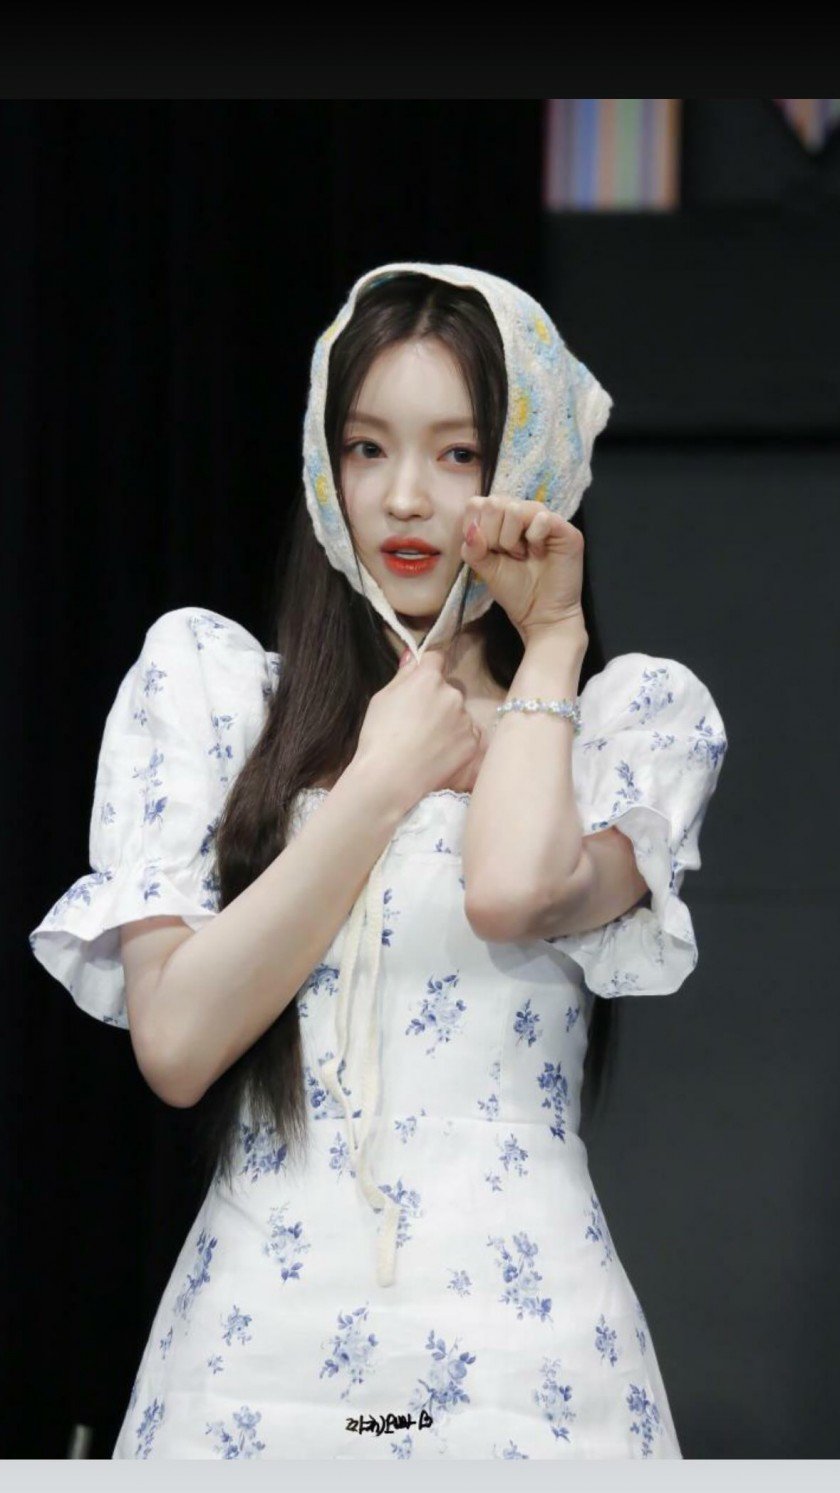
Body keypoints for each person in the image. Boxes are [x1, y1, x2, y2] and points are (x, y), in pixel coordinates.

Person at [29, 261, 728, 1460]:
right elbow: (177, 1041)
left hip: (526, 1366)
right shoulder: (216, 693)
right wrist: (379, 781)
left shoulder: (627, 724)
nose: (405, 497)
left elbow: (511, 891)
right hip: (258, 1365)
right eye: (366, 448)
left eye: (459, 454)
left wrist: (551, 643)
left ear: (533, 469)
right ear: (325, 465)